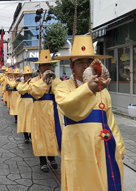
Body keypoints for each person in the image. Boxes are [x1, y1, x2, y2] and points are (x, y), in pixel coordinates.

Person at [55, 35, 126, 190]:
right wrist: (88, 89)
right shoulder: (63, 87)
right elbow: (68, 107)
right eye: (80, 62)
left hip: (103, 145)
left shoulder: (103, 89)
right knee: (80, 183)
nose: (85, 66)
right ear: (72, 66)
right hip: (77, 146)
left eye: (89, 62)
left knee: (104, 182)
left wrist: (119, 147)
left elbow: (109, 119)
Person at [30, 49, 63, 172]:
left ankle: (52, 158)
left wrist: (51, 80)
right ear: (39, 67)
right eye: (44, 65)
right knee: (40, 135)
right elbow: (35, 93)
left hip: (52, 110)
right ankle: (42, 161)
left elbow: (60, 91)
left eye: (49, 65)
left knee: (52, 134)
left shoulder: (56, 79)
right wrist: (43, 80)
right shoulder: (34, 81)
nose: (47, 67)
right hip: (39, 112)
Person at [16, 66, 36, 143]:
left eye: (30, 75)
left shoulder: (34, 83)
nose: (28, 77)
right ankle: (26, 136)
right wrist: (27, 83)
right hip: (23, 103)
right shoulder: (21, 84)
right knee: (24, 118)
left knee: (31, 118)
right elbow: (20, 90)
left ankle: (31, 133)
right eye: (26, 76)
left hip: (32, 103)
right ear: (24, 77)